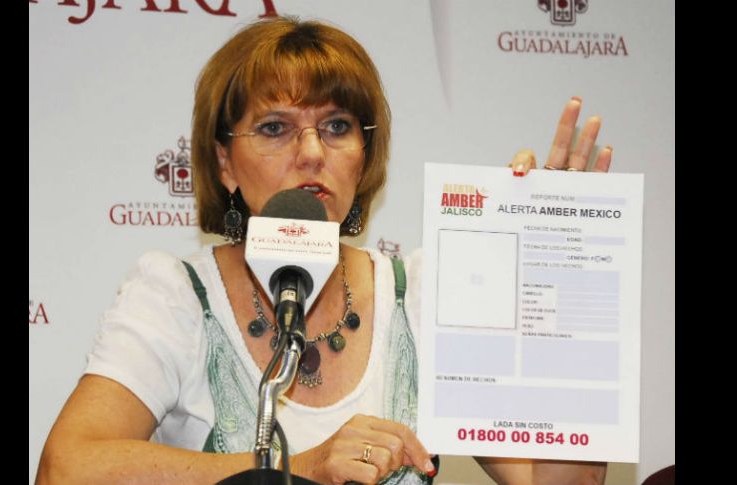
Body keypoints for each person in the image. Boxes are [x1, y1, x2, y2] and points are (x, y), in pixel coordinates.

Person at [35, 16, 611, 485]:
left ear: (364, 155)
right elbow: (67, 469)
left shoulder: (423, 295)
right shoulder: (177, 296)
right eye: (275, 128)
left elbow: (557, 483)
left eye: (336, 126)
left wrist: (558, 270)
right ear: (225, 163)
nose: (312, 152)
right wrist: (295, 470)